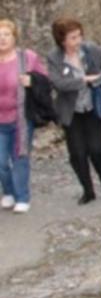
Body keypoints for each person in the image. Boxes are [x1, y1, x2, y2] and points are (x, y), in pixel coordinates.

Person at [47, 18, 101, 205]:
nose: (78, 41)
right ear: (62, 40)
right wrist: (84, 80)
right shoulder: (55, 57)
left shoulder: (92, 50)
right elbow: (58, 83)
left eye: (79, 35)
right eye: (73, 37)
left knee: (97, 149)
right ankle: (88, 190)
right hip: (71, 111)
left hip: (92, 107)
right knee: (77, 153)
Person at [0, 20, 48, 214]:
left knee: (20, 157)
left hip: (20, 118)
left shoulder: (26, 57)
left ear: (14, 37)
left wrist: (32, 81)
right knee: (1, 161)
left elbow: (45, 81)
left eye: (6, 35)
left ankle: (22, 196)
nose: (2, 39)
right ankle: (9, 192)